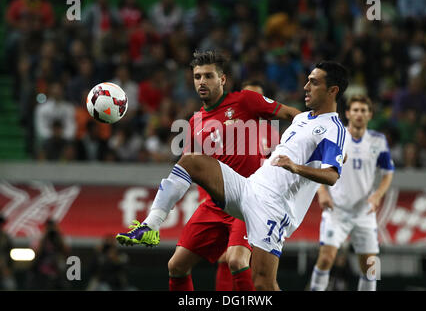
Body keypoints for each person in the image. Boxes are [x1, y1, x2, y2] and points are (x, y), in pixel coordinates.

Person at [117, 60, 349, 290]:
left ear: (333, 90)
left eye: (313, 82)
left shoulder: (334, 129)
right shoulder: (302, 120)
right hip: (248, 188)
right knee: (190, 161)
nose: (306, 87)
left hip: (274, 208)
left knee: (262, 284)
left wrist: (296, 167)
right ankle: (151, 225)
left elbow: (331, 175)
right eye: (307, 81)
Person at [309, 95, 394, 291]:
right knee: (325, 258)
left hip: (364, 211)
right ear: (347, 113)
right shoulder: (338, 137)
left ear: (370, 115)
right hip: (336, 209)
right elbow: (319, 166)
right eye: (355, 110)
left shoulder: (378, 140)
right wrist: (322, 192)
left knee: (372, 265)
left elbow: (388, 173)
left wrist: (377, 195)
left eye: (363, 110)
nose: (359, 114)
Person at [214, 80, 279, 291]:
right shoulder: (224, 128)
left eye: (257, 99)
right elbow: (209, 167)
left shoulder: (272, 134)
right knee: (227, 259)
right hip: (226, 199)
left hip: (257, 203)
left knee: (246, 263)